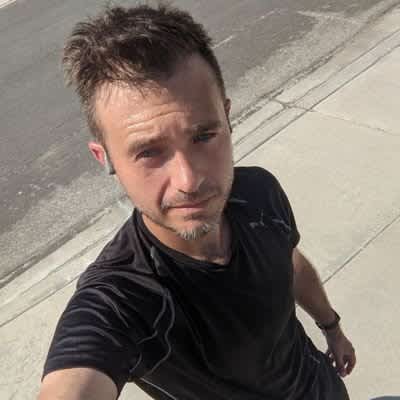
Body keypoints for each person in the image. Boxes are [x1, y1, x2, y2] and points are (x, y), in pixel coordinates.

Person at [38, 5, 356, 400]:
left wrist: (331, 327)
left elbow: (288, 263)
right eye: (148, 152)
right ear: (106, 159)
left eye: (203, 136)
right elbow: (75, 378)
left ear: (227, 117)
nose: (189, 181)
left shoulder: (259, 191)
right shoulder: (122, 297)